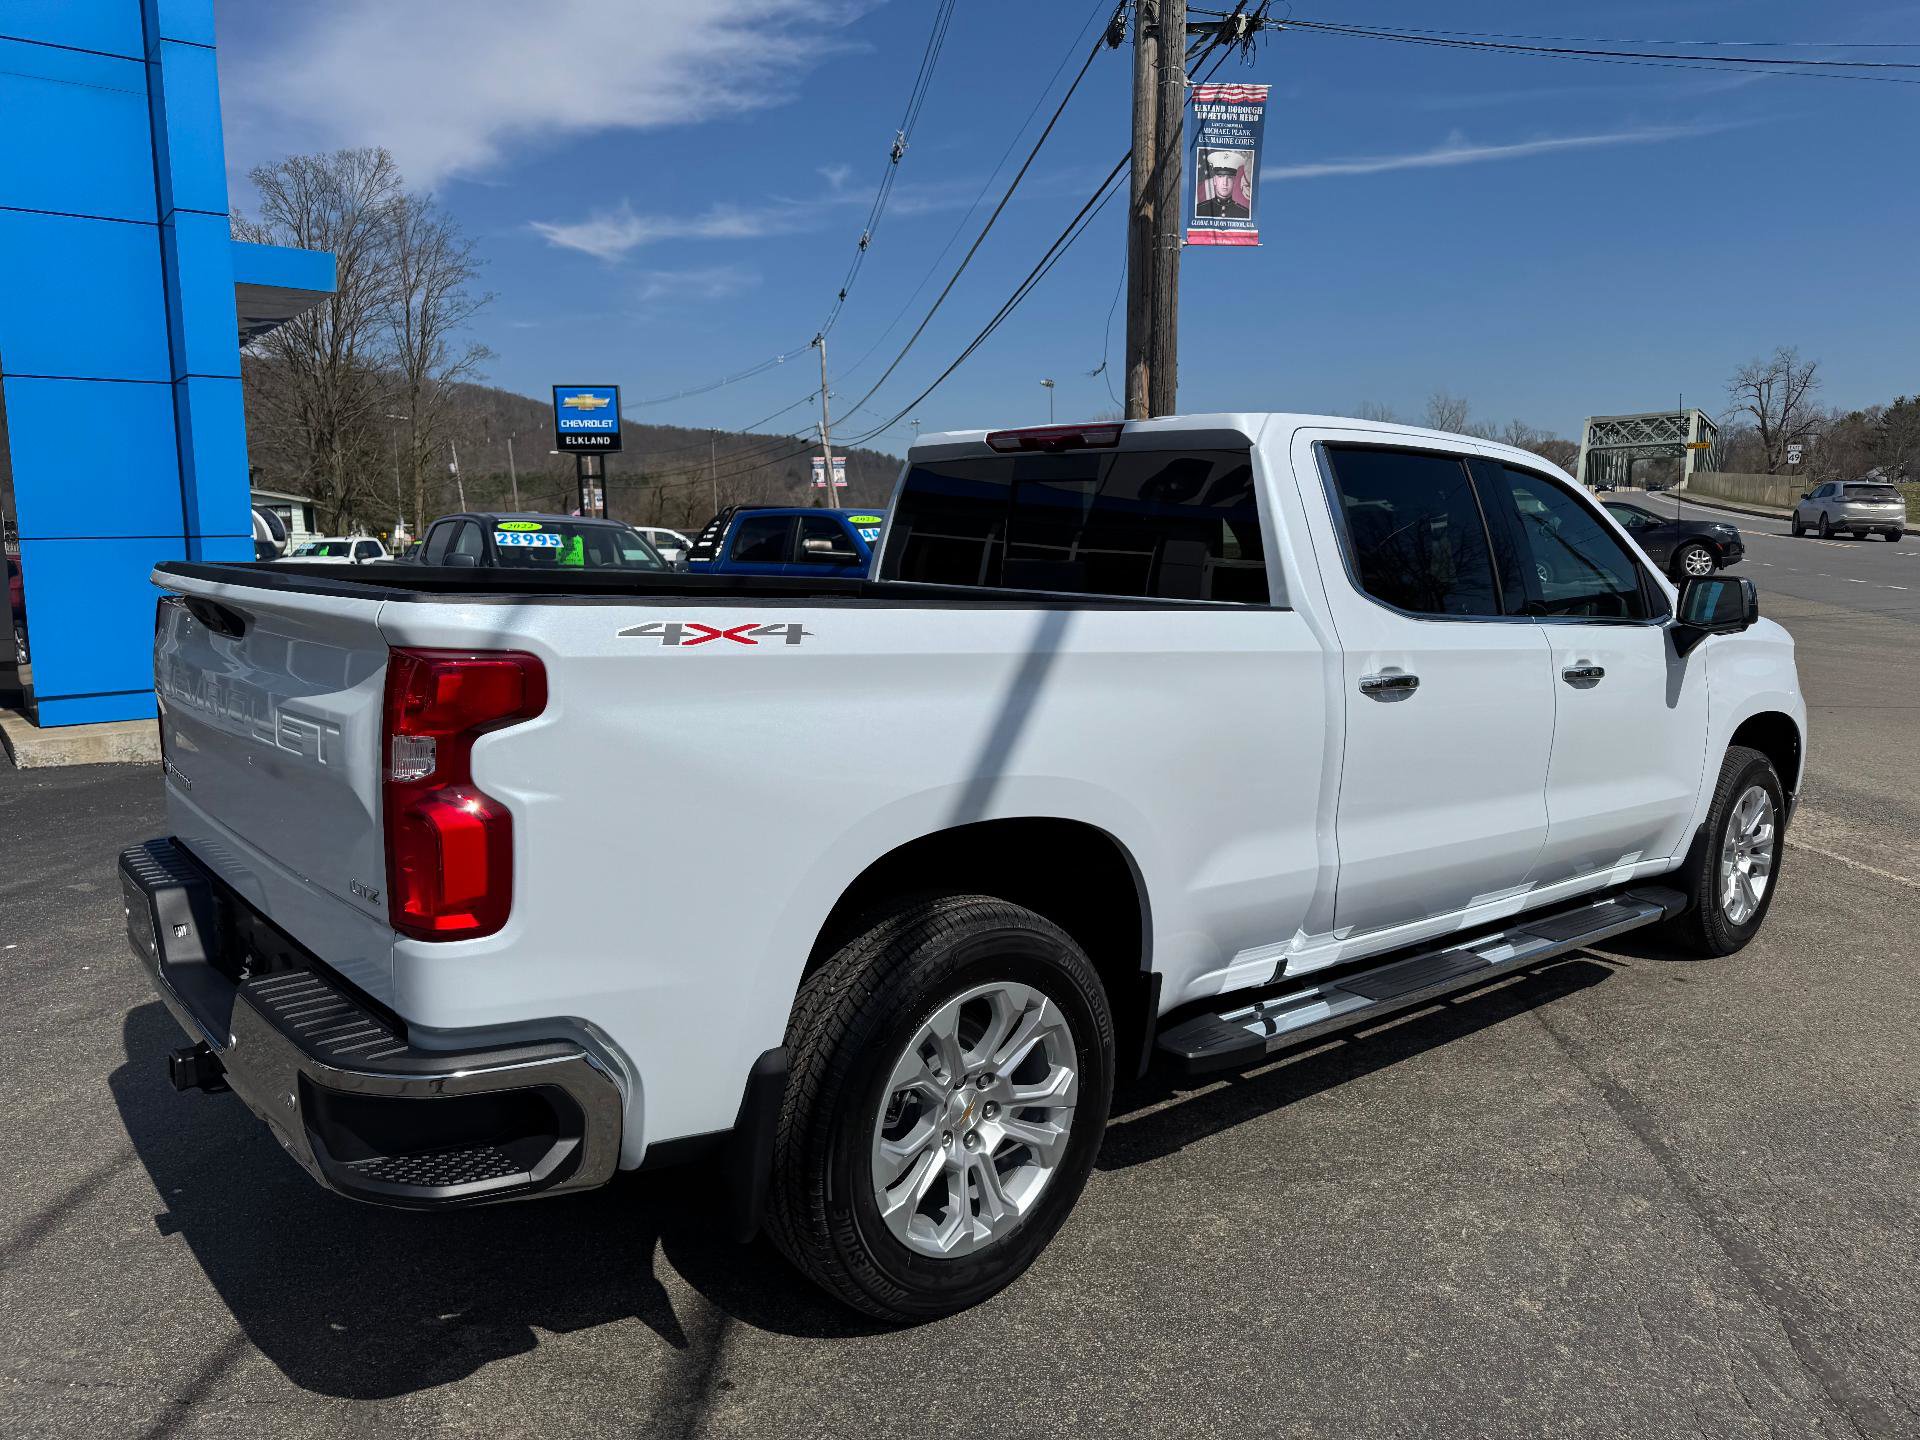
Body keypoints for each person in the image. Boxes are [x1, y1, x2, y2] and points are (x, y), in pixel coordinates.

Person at [1195, 149, 1251, 221]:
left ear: (1234, 181)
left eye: (1230, 177)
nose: (1225, 182)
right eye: (1220, 177)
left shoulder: (1245, 214)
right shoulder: (1199, 211)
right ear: (1214, 180)